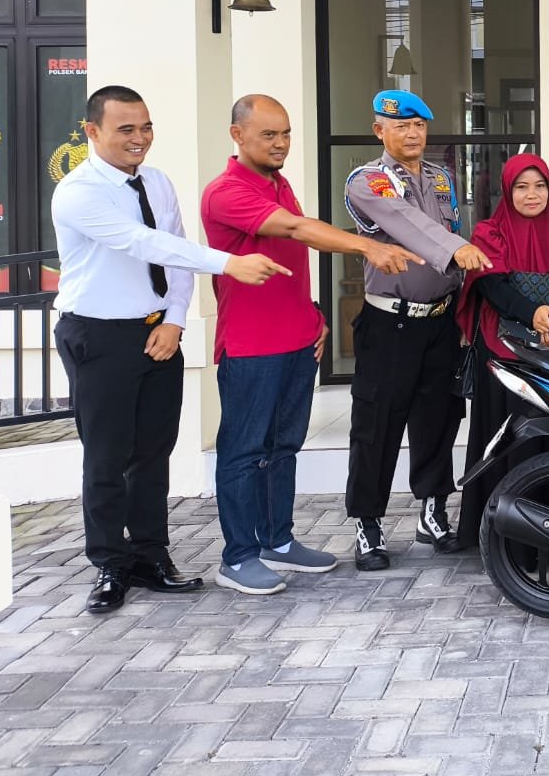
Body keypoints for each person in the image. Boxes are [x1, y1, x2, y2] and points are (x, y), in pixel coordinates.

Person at [52, 85, 289, 615]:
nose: (139, 138)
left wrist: (176, 320)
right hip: (99, 335)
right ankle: (110, 564)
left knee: (153, 453)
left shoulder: (156, 181)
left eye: (146, 127)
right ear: (92, 131)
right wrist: (228, 263)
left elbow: (175, 254)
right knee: (107, 456)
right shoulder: (78, 191)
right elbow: (142, 242)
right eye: (125, 129)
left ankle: (151, 556)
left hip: (158, 332)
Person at [201, 95, 423, 595]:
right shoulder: (224, 192)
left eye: (285, 134)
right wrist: (369, 245)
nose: (280, 143)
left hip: (298, 342)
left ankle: (277, 541)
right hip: (251, 349)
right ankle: (238, 557)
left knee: (283, 448)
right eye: (268, 135)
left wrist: (313, 315)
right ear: (237, 135)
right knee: (243, 452)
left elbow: (290, 255)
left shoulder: (278, 184)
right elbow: (298, 230)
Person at [342, 90, 492, 571]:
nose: (412, 134)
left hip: (440, 321)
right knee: (377, 425)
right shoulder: (368, 181)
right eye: (401, 126)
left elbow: (451, 233)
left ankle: (433, 512)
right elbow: (407, 224)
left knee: (438, 420)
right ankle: (368, 522)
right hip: (391, 322)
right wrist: (455, 249)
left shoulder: (442, 178)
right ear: (379, 130)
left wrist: (463, 310)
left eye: (419, 125)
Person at [456, 154, 549, 545]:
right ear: (507, 190)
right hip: (504, 357)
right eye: (521, 187)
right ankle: (505, 539)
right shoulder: (490, 233)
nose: (532, 195)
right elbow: (493, 287)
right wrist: (533, 314)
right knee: (507, 441)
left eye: (539, 186)